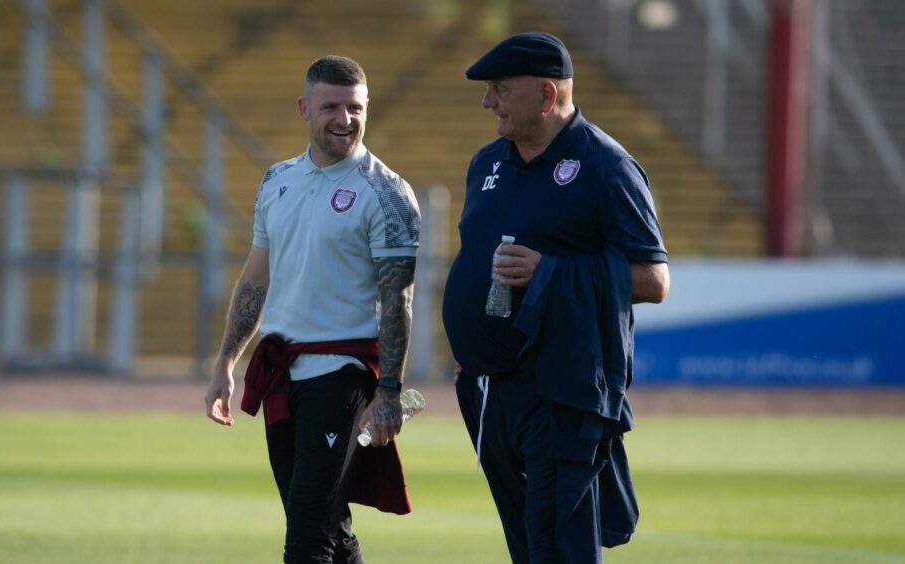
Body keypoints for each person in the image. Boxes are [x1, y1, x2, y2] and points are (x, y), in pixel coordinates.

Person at [442, 32, 670, 563]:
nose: (487, 101)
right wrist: (473, 345)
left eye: (499, 89)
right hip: (489, 388)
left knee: (557, 545)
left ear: (547, 95)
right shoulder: (487, 163)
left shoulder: (606, 167)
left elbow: (655, 280)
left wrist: (552, 271)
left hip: (561, 387)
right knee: (527, 543)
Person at [203, 55, 421, 564]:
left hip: (342, 377)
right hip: (280, 374)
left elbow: (398, 300)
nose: (344, 119)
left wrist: (389, 390)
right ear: (304, 109)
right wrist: (225, 364)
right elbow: (256, 277)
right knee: (329, 527)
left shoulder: (388, 193)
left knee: (307, 537)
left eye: (355, 107)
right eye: (331, 107)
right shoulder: (277, 179)